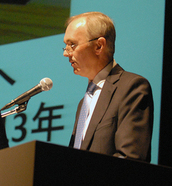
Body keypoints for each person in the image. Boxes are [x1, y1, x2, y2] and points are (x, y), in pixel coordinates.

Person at [63, 12, 153, 162]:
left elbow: (131, 158)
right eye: (65, 46)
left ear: (99, 46)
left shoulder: (131, 87)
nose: (66, 53)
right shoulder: (83, 103)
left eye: (72, 45)